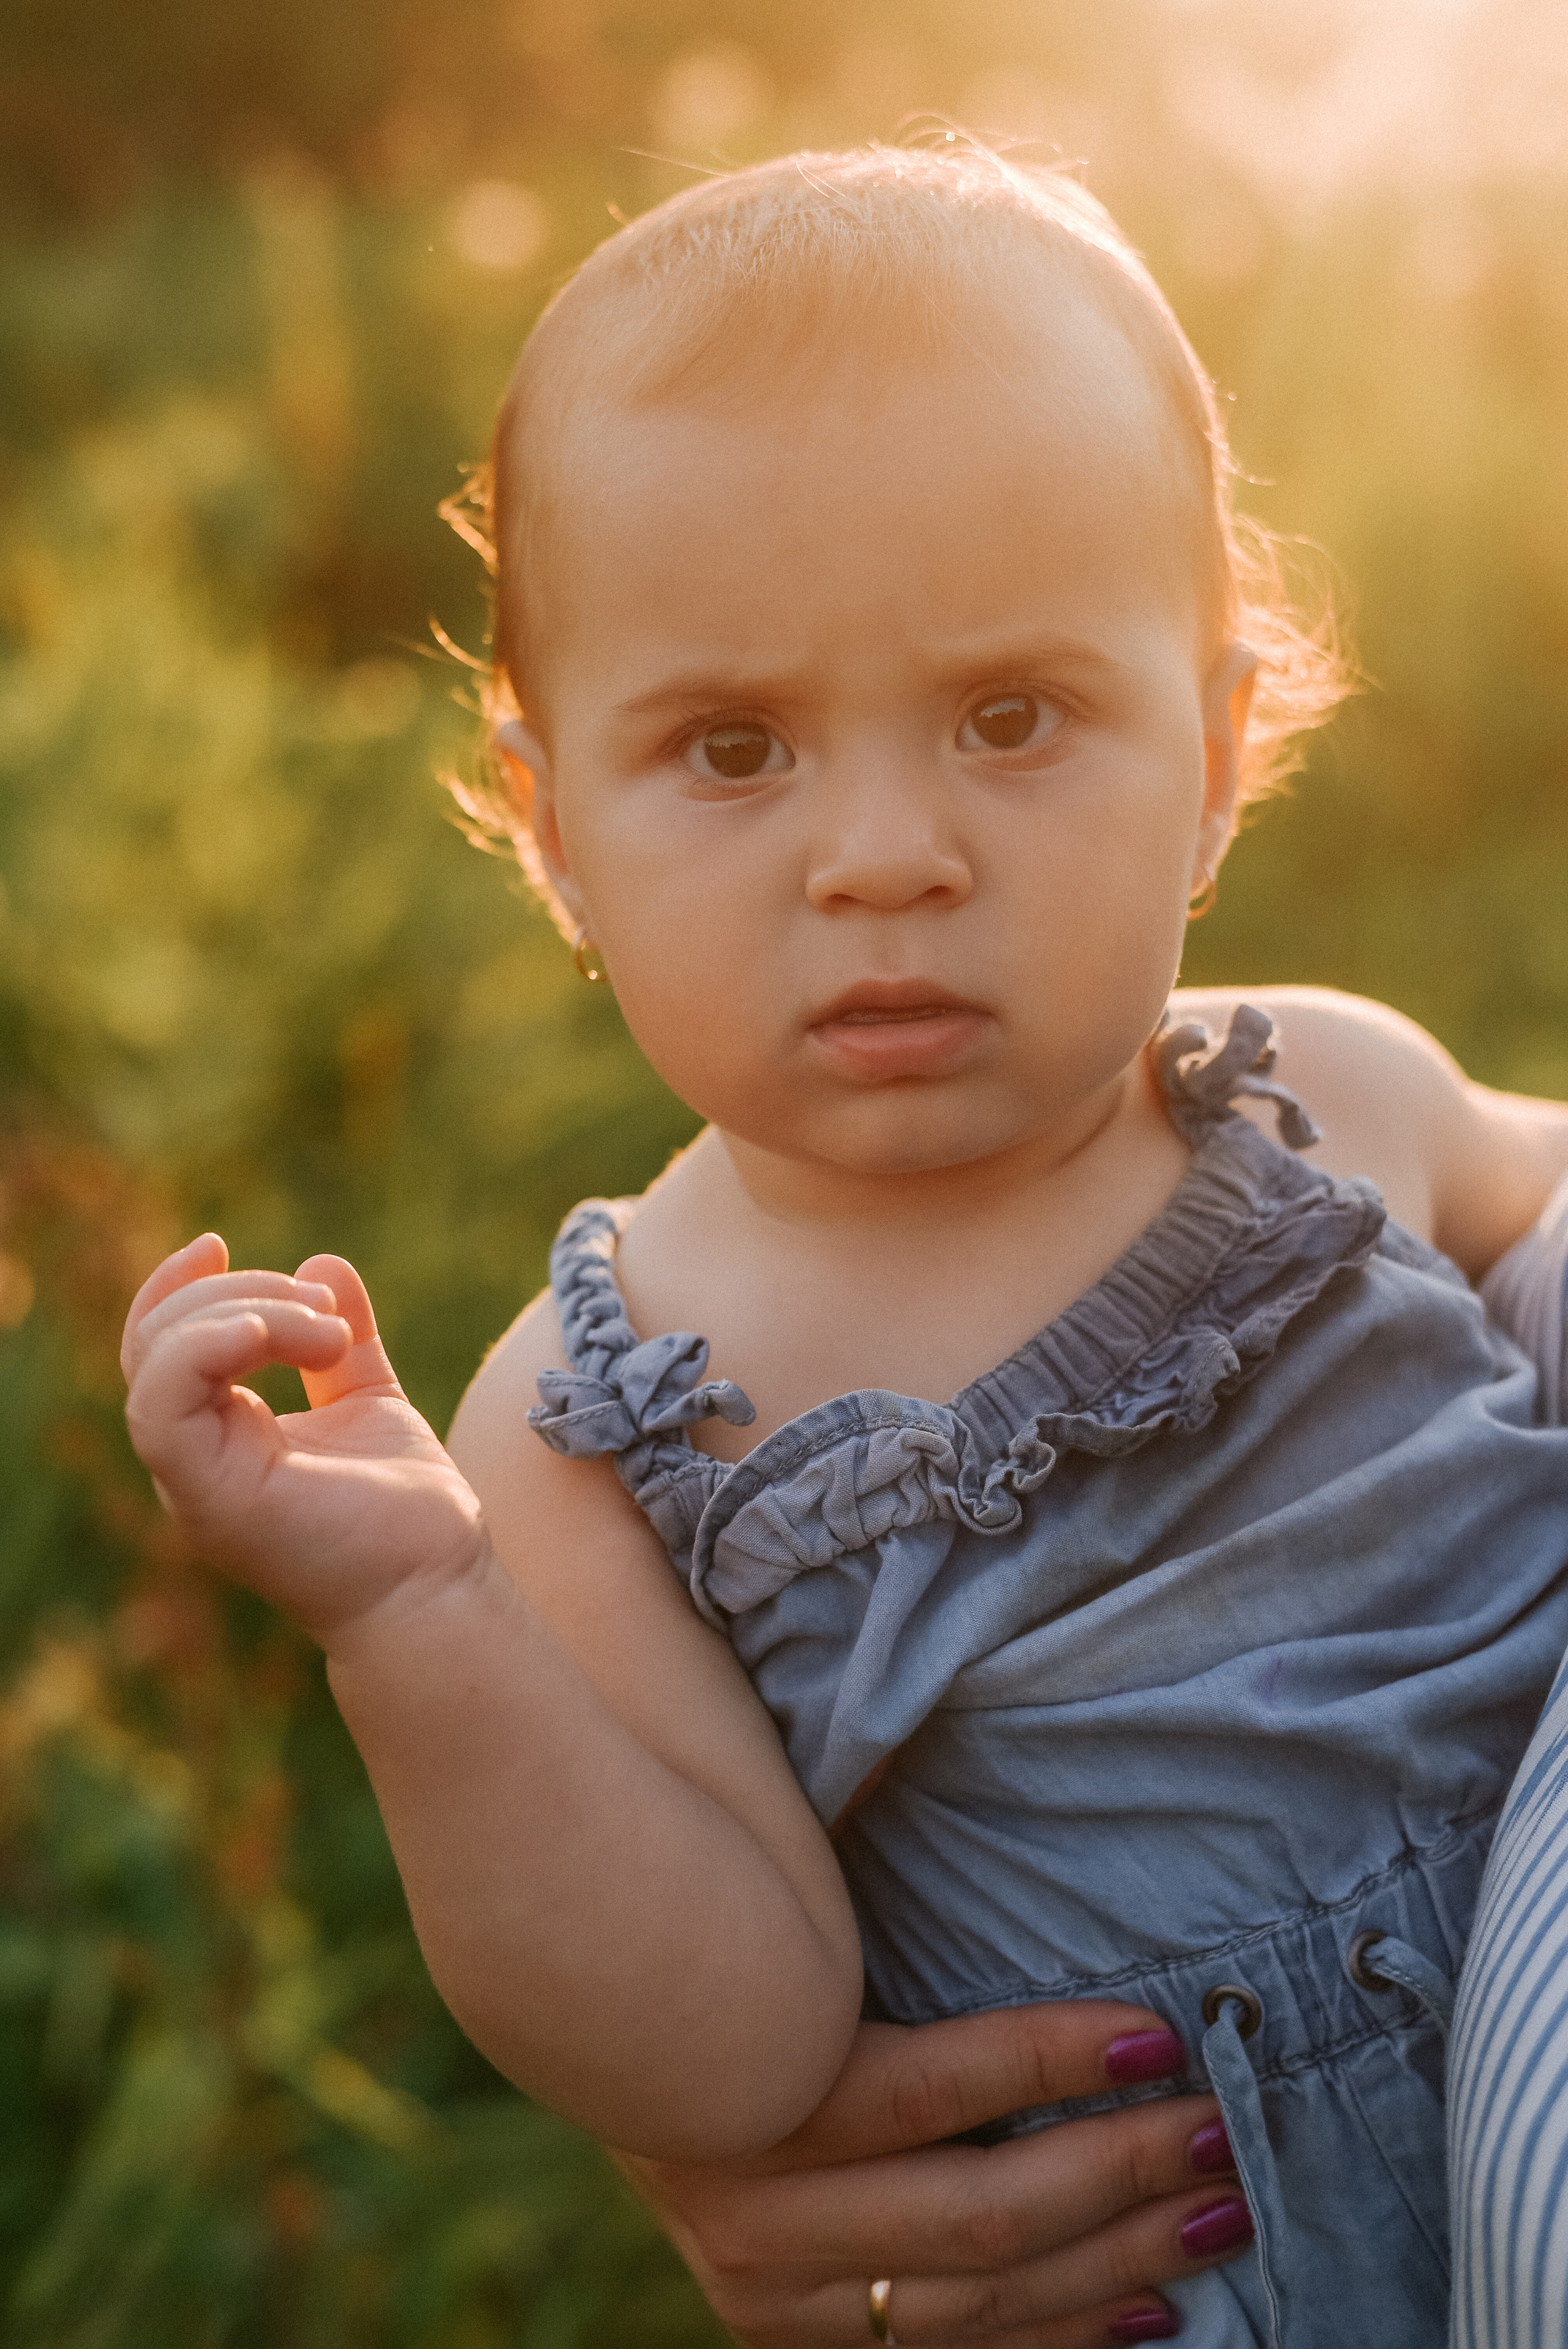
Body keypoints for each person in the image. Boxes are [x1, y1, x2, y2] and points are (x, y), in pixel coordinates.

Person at [119, 144, 1568, 2346]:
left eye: (1010, 715)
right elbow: (730, 2048)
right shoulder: (594, 1426)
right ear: (556, 834)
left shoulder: (1342, 1100)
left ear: (1215, 753)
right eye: (732, 747)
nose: (885, 854)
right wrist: (414, 1620)